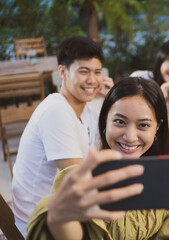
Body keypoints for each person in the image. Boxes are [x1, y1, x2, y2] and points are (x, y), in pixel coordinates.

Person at [26, 77, 169, 239]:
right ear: (105, 121)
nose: (130, 136)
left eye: (143, 125)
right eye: (120, 122)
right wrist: (58, 218)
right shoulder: (80, 181)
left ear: (157, 128)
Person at [12, 36, 114, 237]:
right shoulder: (56, 110)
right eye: (83, 71)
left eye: (97, 72)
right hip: (40, 223)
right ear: (62, 72)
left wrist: (113, 99)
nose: (92, 80)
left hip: (62, 211)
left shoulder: (86, 110)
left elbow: (108, 144)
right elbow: (77, 179)